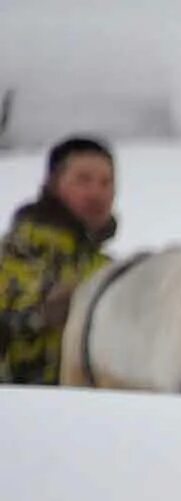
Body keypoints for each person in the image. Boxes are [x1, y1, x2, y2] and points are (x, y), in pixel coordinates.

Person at [0, 136, 118, 385]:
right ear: (53, 184)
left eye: (106, 182)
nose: (97, 193)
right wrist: (39, 316)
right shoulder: (11, 257)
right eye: (83, 180)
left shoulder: (110, 272)